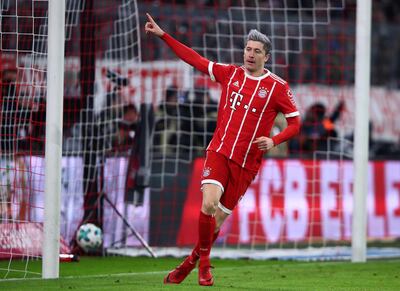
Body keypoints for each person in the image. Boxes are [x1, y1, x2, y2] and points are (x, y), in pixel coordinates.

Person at [145, 13, 301, 286]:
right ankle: (204, 266)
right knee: (208, 204)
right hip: (219, 151)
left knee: (215, 224)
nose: (250, 55)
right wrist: (163, 35)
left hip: (246, 163)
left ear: (267, 57)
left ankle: (188, 265)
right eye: (248, 49)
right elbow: (194, 59)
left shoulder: (277, 87)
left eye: (257, 51)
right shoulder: (230, 74)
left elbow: (296, 123)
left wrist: (274, 141)